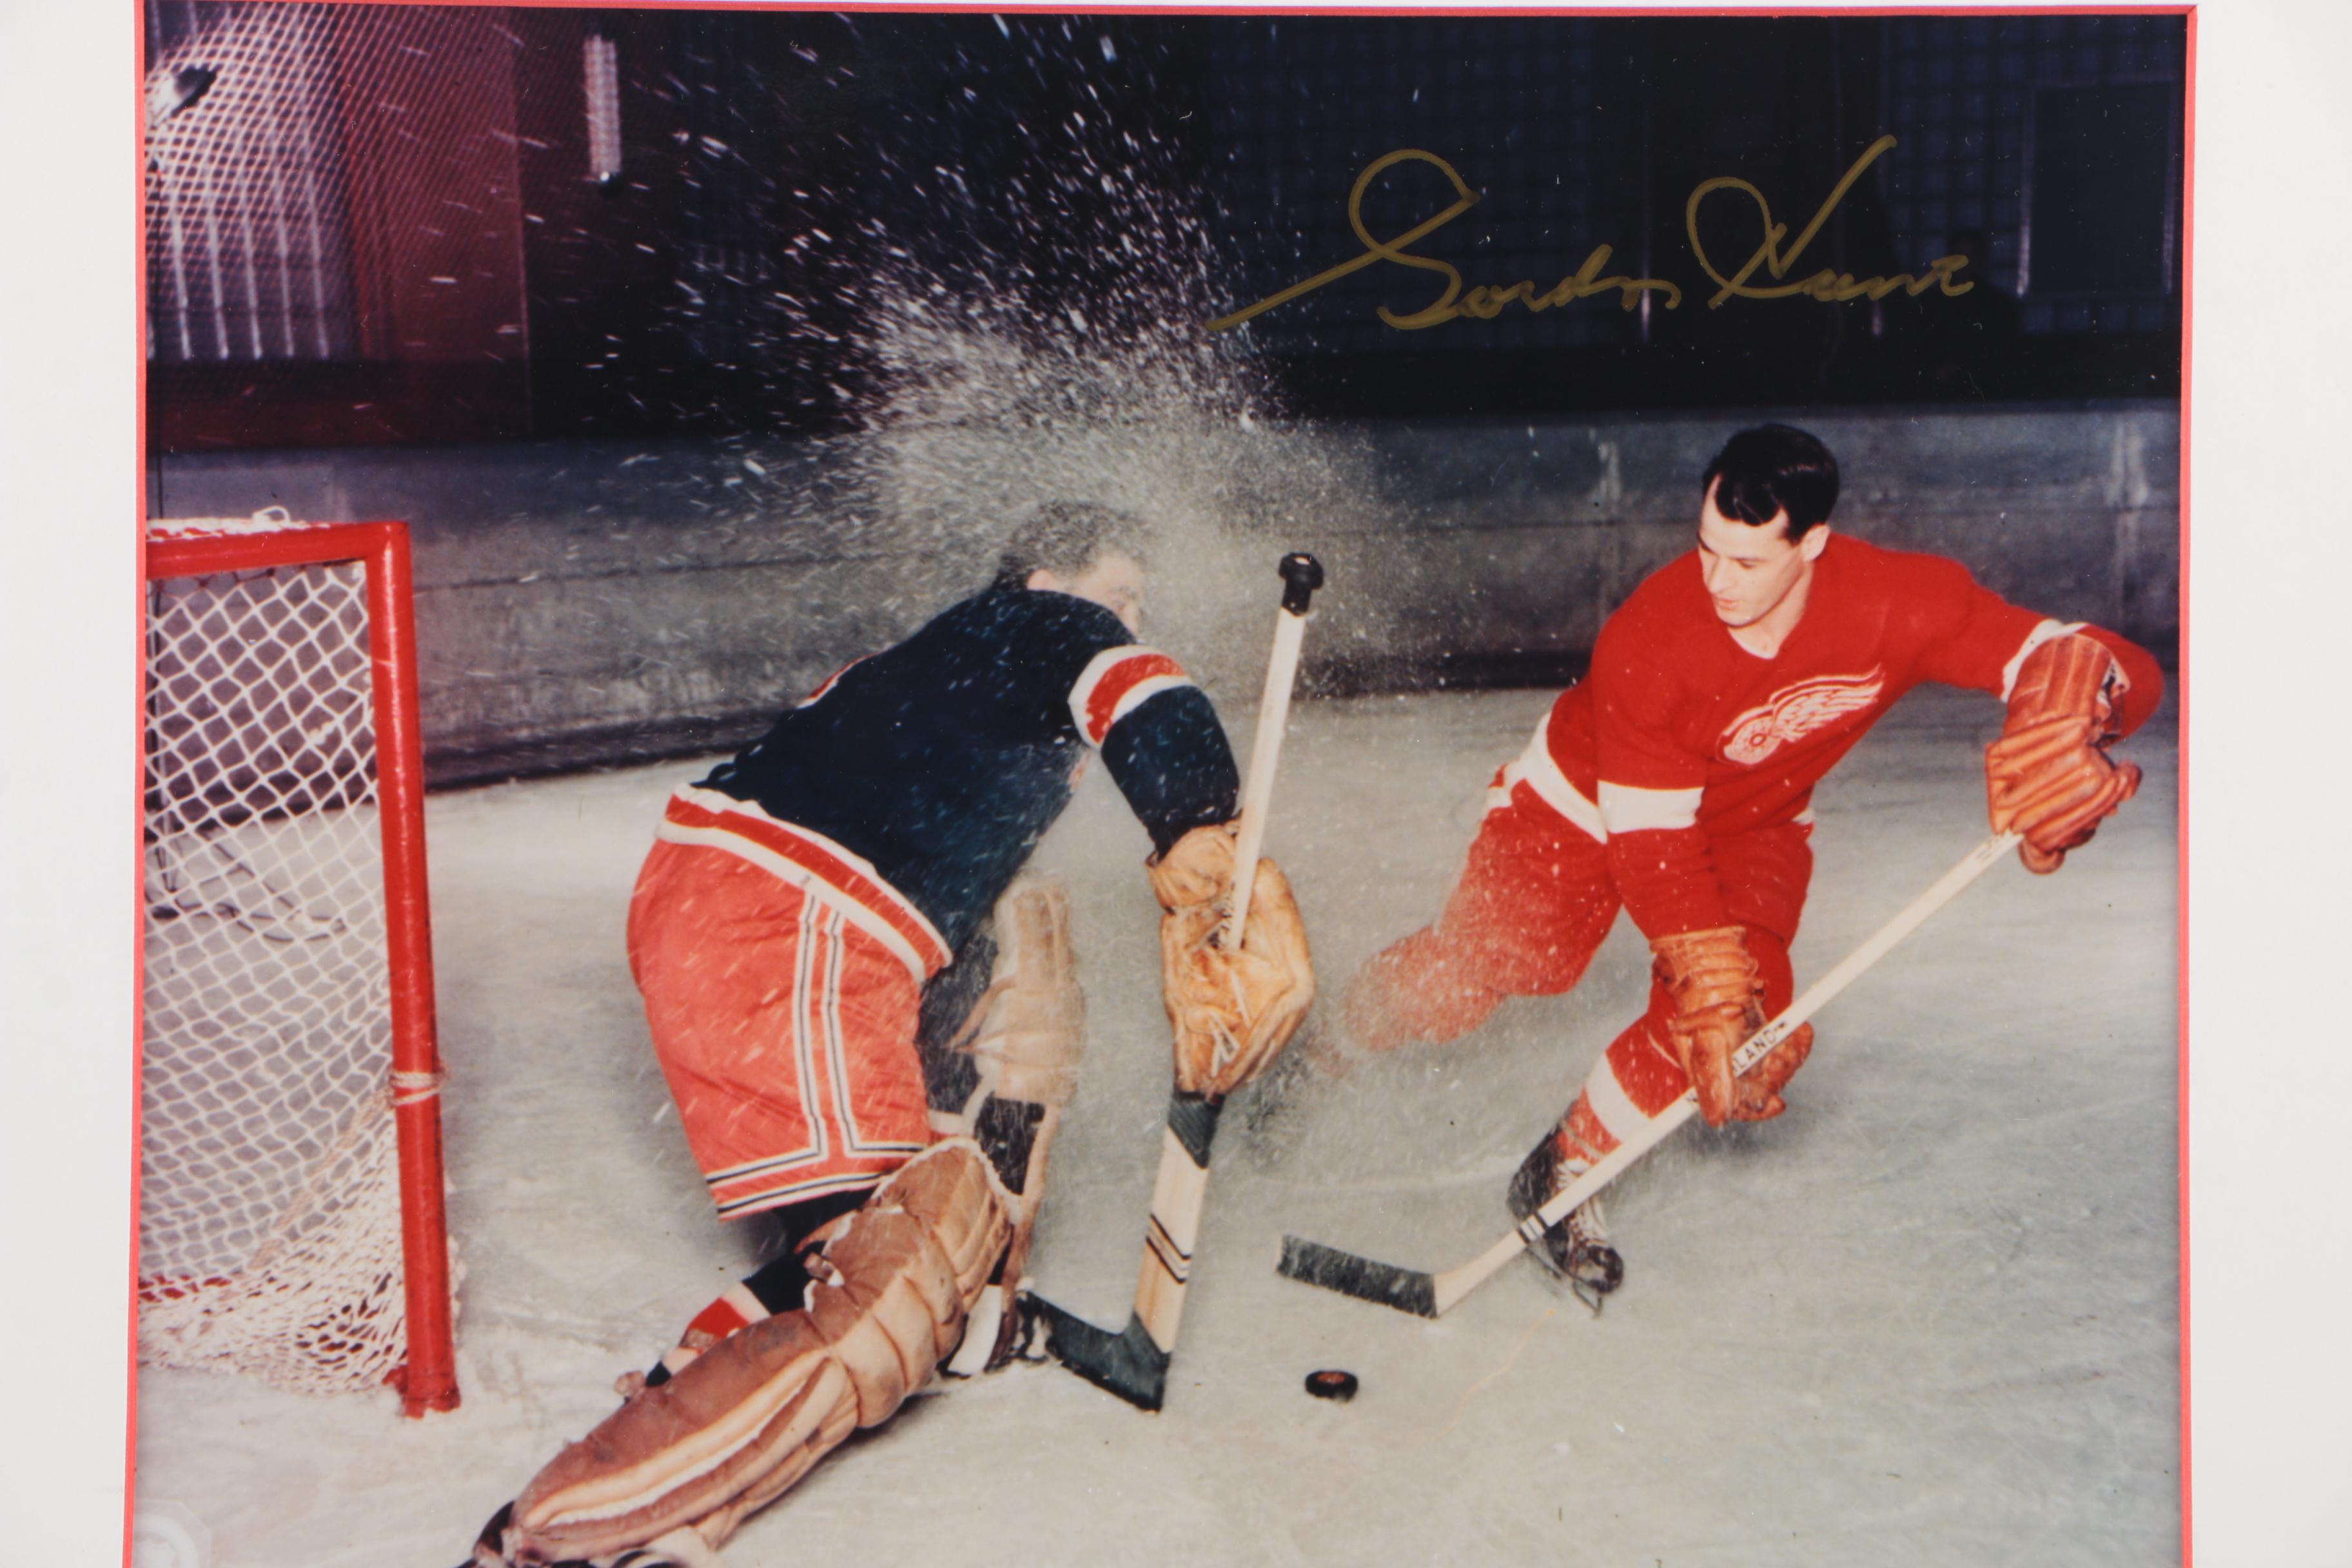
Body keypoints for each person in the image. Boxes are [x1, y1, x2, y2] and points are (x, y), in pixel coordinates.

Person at [465, 503, 1313, 1567]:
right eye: (1120, 593)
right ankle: (563, 1532)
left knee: (877, 1211)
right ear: (1048, 576)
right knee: (895, 1277)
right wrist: (1201, 847)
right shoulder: (1046, 622)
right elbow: (1149, 695)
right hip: (790, 916)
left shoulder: (948, 663)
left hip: (754, 908)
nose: (1132, 617)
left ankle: (703, 1382)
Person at [1339, 424, 2162, 1304]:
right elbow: (1652, 842)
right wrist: (1700, 968)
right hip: (1582, 808)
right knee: (1494, 971)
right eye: (1706, 551)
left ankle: (1562, 1173)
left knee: (1736, 1022)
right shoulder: (1653, 636)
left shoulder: (1894, 599)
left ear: (1812, 544)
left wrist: (2078, 710)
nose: (1717, 581)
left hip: (1755, 824)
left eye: (1746, 562)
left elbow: (2089, 657)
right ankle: (1334, 1037)